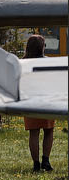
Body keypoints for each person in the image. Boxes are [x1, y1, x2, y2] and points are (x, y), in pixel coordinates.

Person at [24, 35, 55, 172]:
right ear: (42, 47)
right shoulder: (49, 62)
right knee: (49, 131)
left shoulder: (22, 63)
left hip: (30, 102)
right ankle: (46, 161)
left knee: (33, 133)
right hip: (47, 101)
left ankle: (36, 164)